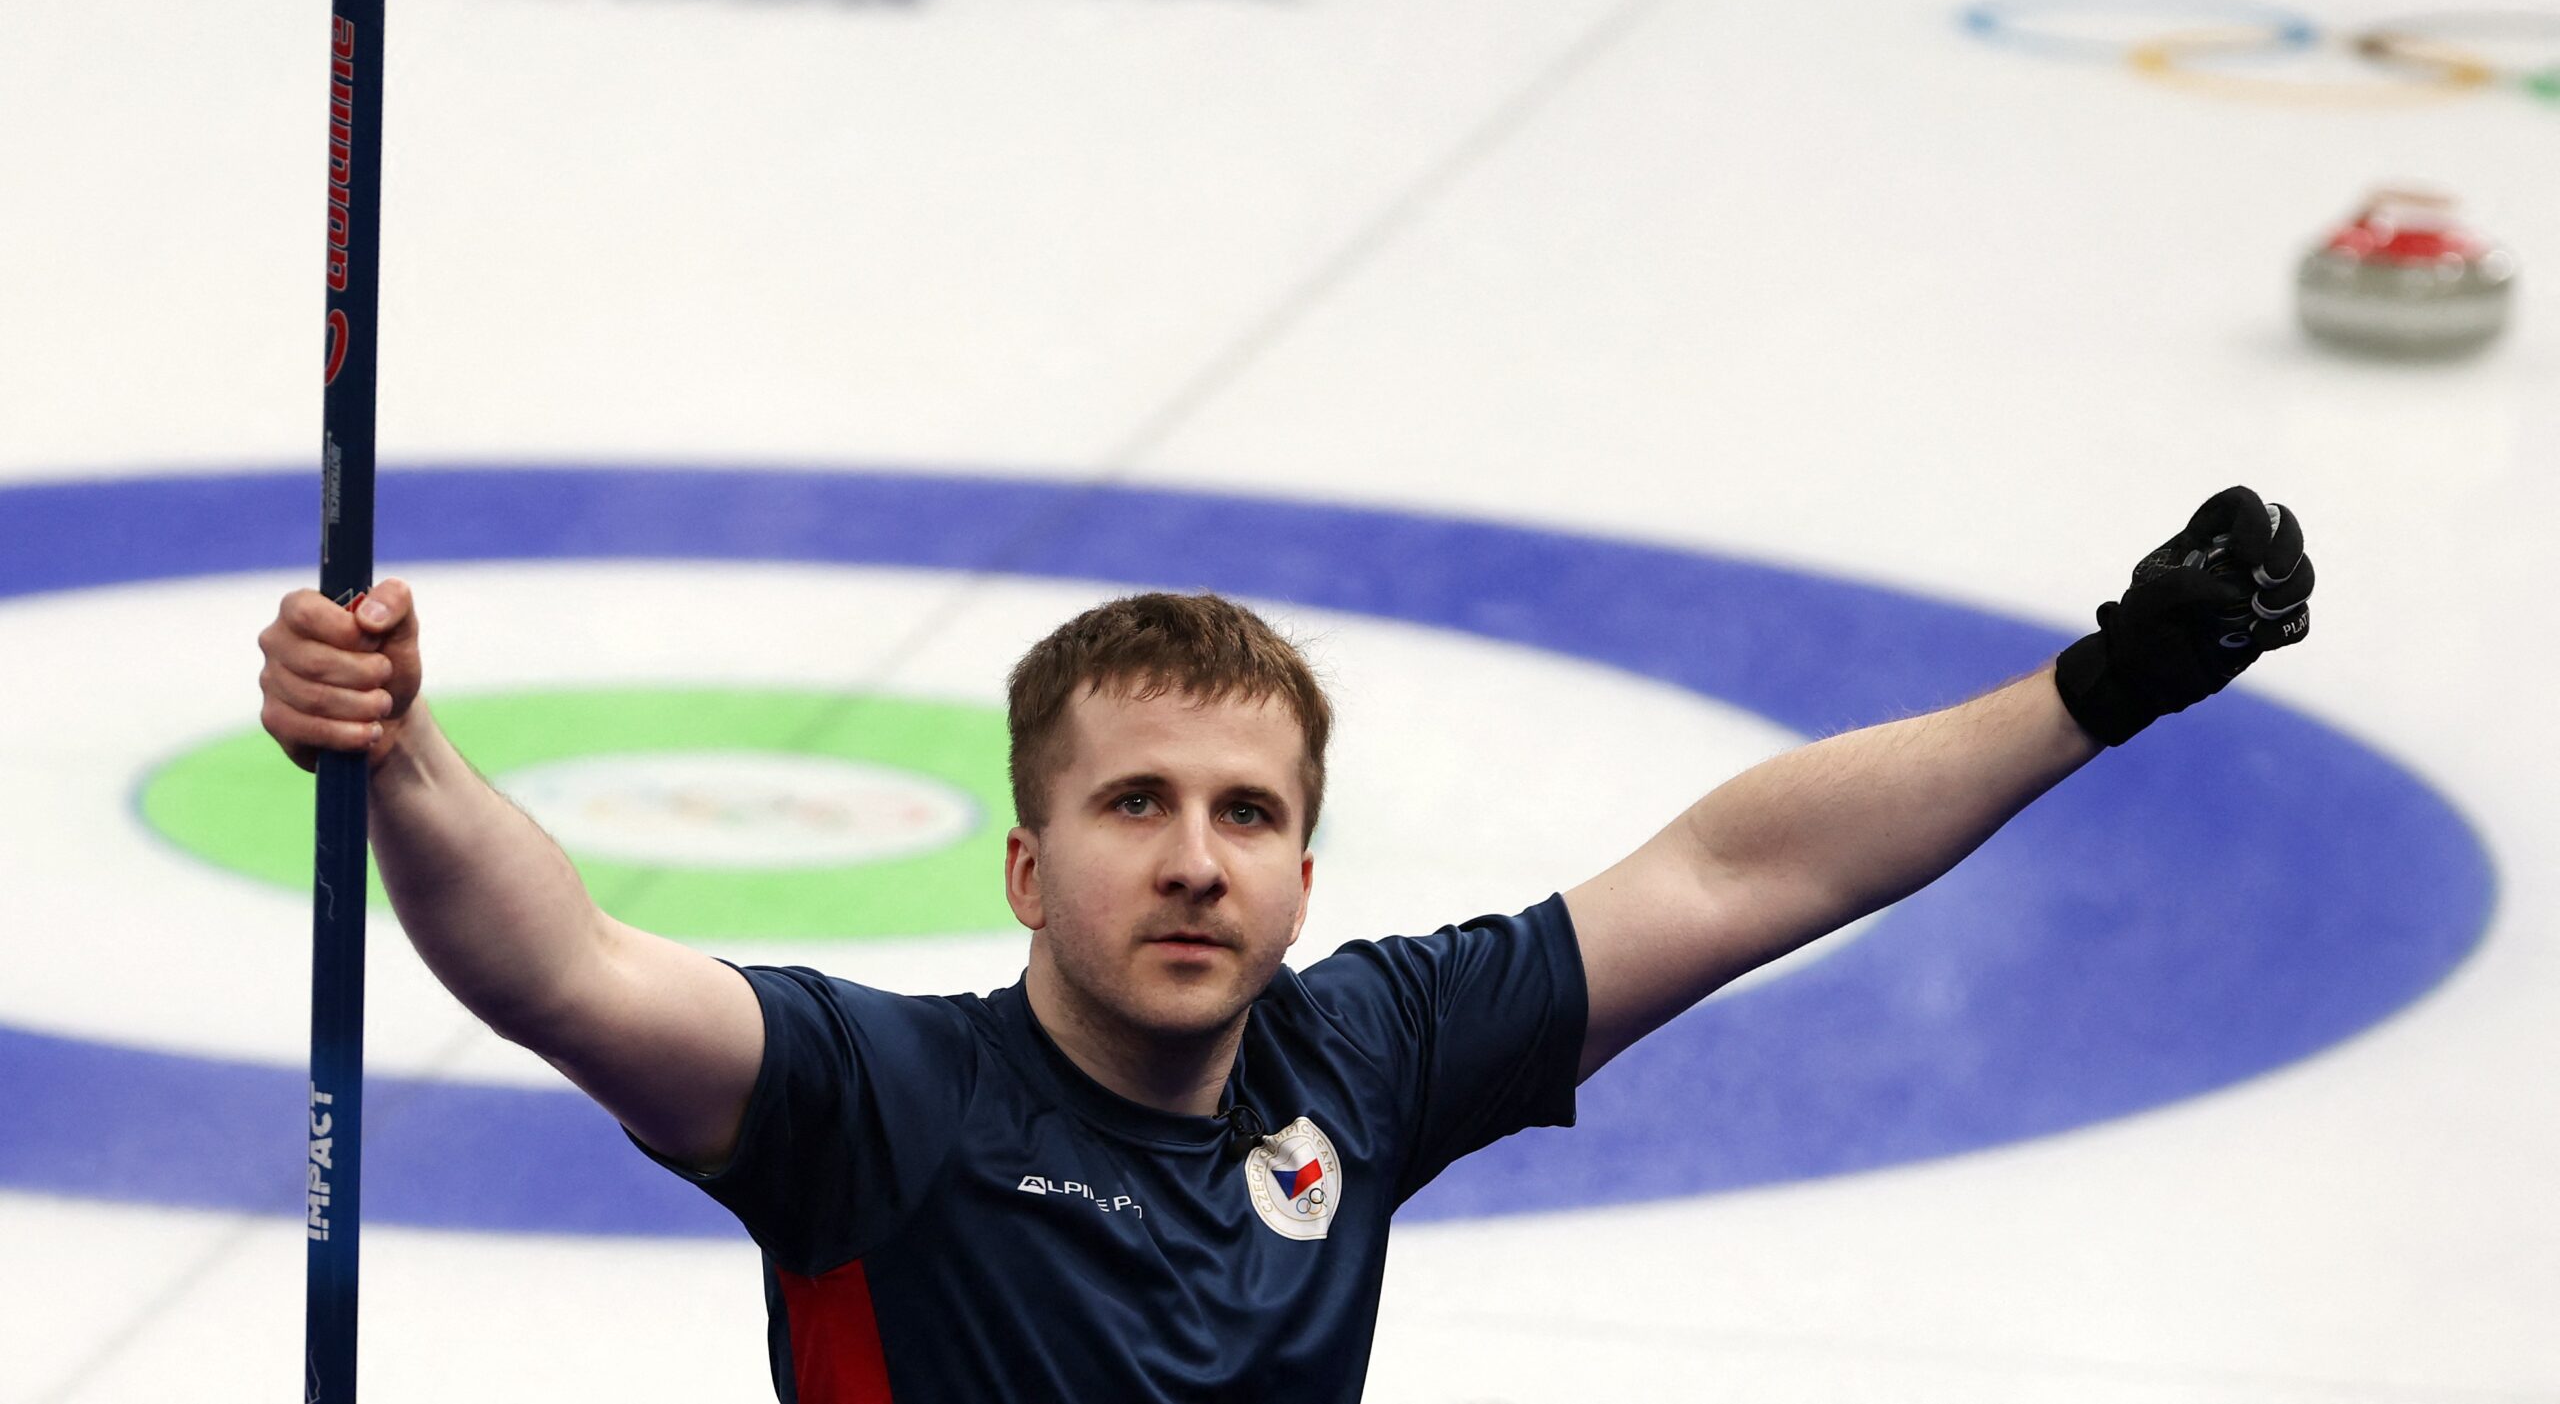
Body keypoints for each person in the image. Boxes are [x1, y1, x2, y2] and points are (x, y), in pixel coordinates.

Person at [254, 485, 2312, 1402]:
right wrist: (401, 748)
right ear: (1025, 869)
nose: (1194, 860)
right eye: (1133, 806)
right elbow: (566, 970)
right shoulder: (877, 1107)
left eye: (1246, 815)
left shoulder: (1367, 1055)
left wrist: (2097, 684)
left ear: (1304, 877)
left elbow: (1733, 875)